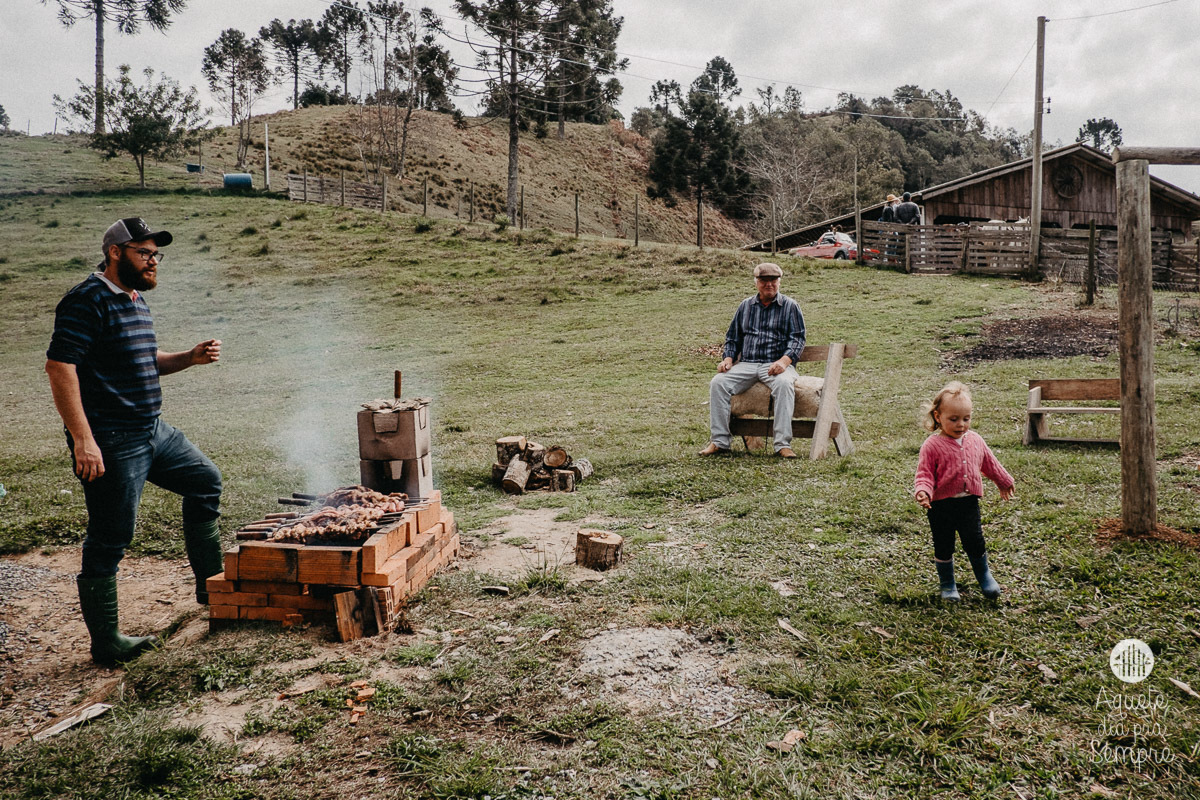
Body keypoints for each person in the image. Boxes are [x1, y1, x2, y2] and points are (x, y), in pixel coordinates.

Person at [46, 217, 224, 666]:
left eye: (155, 254)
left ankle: (212, 587)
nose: (152, 261)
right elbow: (60, 367)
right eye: (144, 253)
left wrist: (189, 357)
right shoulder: (86, 300)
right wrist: (83, 439)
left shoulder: (135, 300)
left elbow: (146, 359)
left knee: (205, 480)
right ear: (115, 253)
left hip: (152, 430)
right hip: (110, 439)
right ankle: (106, 641)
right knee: (112, 535)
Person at [913, 382, 1014, 601]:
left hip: (968, 504)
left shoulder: (975, 440)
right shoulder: (932, 445)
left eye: (966, 419)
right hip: (940, 506)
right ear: (938, 416)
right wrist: (923, 491)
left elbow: (990, 463)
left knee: (974, 541)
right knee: (943, 544)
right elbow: (925, 473)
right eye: (954, 419)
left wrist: (1004, 480)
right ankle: (948, 584)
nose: (961, 424)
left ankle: (985, 577)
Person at [701, 262, 806, 459]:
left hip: (776, 364)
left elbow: (798, 339)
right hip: (747, 364)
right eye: (764, 281)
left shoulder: (790, 306)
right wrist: (729, 359)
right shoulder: (745, 306)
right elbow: (733, 337)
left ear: (779, 282)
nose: (769, 285)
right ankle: (720, 441)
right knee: (718, 383)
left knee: (784, 385)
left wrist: (784, 362)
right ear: (756, 282)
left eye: (773, 280)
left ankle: (782, 445)